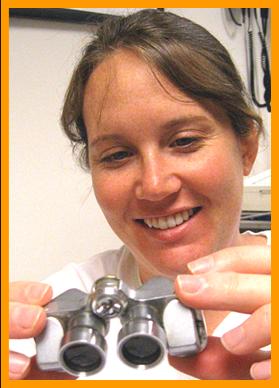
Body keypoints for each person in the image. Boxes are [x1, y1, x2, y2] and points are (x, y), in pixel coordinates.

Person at [9, 9, 270, 380]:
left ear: (246, 149)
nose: (154, 185)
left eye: (184, 141)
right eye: (117, 155)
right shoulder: (60, 307)